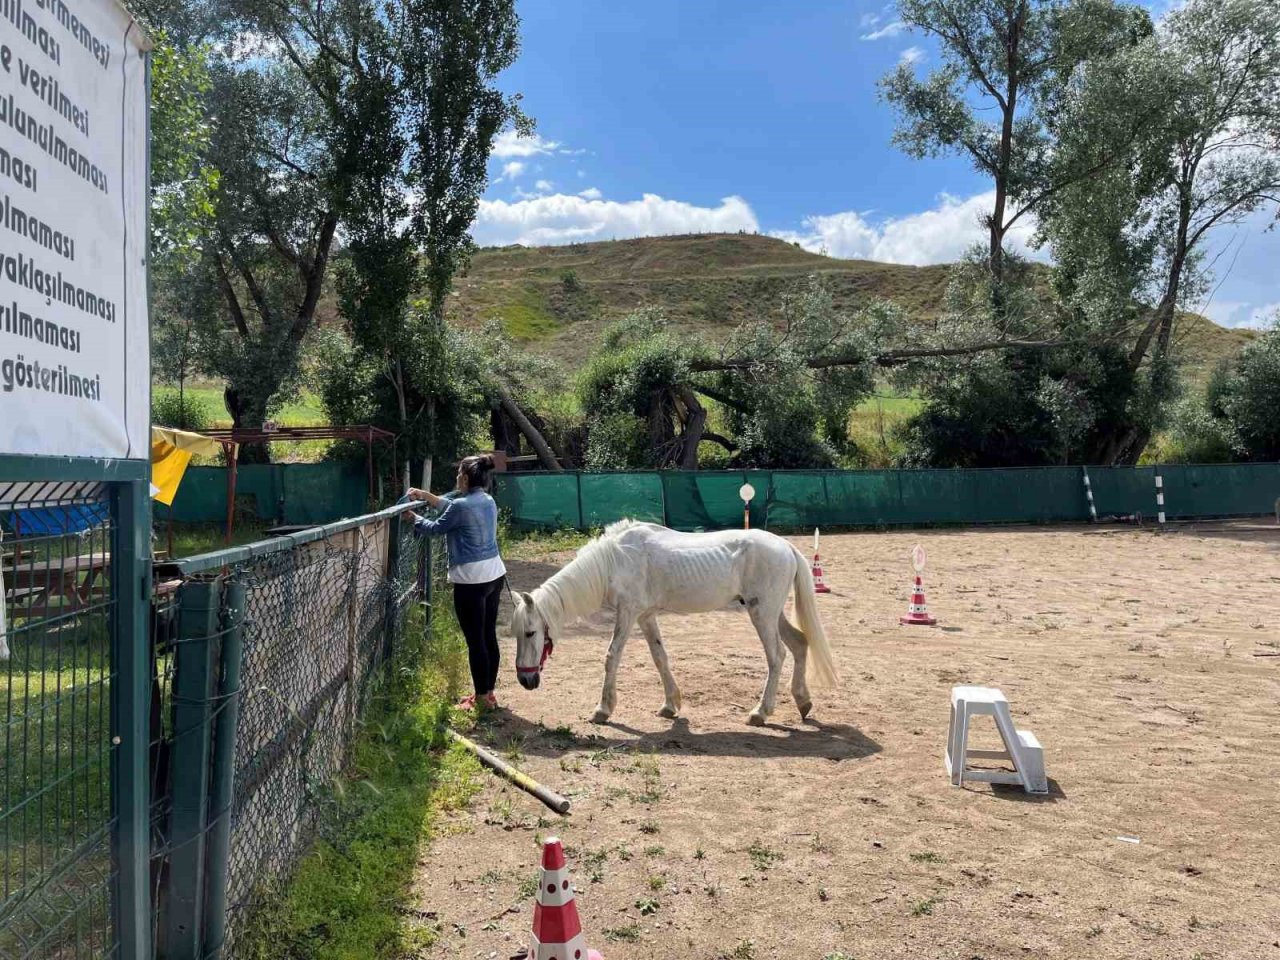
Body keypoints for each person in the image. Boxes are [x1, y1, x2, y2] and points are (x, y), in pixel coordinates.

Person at [408, 455, 507, 711]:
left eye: (458, 473)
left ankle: (481, 698)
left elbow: (435, 528)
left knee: (475, 641)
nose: (456, 477)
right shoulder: (487, 500)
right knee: (488, 635)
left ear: (463, 478)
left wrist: (413, 518)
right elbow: (452, 509)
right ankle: (489, 693)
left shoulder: (461, 506)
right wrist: (427, 496)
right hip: (494, 574)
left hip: (471, 580)